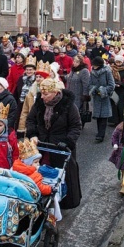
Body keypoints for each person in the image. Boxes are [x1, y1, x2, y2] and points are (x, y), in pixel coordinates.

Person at [26, 78, 82, 209]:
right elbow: (31, 120)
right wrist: (33, 134)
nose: (43, 97)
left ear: (55, 92)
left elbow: (75, 126)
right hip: (41, 144)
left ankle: (63, 202)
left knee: (62, 175)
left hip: (60, 146)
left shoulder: (69, 106)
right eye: (42, 93)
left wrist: (67, 141)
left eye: (46, 94)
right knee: (40, 173)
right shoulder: (39, 103)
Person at [88, 56, 115, 143]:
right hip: (96, 97)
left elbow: (111, 85)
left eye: (95, 65)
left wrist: (102, 90)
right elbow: (90, 84)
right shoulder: (92, 72)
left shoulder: (107, 71)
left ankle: (101, 135)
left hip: (104, 97)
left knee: (104, 116)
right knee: (98, 116)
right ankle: (99, 132)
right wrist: (94, 89)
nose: (93, 66)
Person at [65, 54, 91, 127]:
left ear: (81, 62)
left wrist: (85, 96)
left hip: (78, 94)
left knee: (77, 111)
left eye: (76, 62)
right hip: (70, 94)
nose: (74, 63)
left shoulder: (84, 71)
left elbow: (86, 84)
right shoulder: (73, 70)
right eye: (74, 61)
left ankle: (77, 125)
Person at [109, 55, 124, 126]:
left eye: (119, 62)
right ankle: (114, 120)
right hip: (114, 88)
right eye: (117, 62)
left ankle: (121, 121)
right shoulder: (112, 68)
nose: (118, 63)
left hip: (122, 89)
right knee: (114, 105)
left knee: (120, 105)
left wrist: (122, 83)